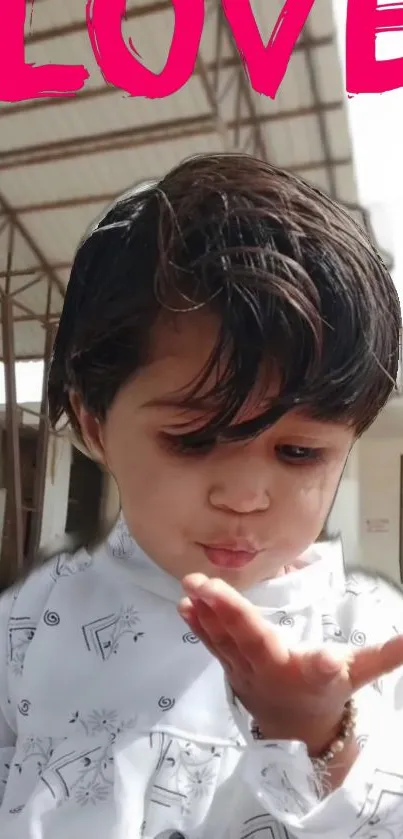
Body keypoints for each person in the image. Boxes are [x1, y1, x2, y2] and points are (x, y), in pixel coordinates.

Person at [1, 153, 403, 839]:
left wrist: (316, 734)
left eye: (298, 452)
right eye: (192, 438)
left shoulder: (370, 633)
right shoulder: (36, 620)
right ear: (95, 423)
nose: (246, 496)